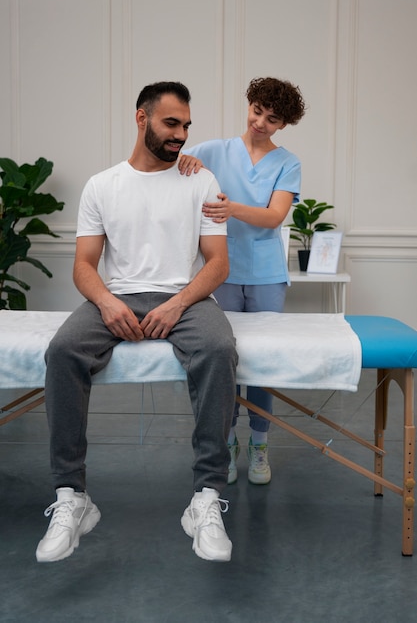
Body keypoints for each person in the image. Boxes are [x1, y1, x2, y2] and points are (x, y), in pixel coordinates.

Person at [36, 81, 238, 564]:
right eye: (172, 123)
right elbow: (85, 264)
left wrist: (177, 304)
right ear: (140, 118)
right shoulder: (102, 185)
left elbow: (217, 264)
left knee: (217, 350)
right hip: (119, 295)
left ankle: (206, 498)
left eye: (187, 125)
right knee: (62, 351)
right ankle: (72, 498)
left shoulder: (201, 181)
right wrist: (106, 302)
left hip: (183, 297)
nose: (181, 134)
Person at [180, 77, 305, 486]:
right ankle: (227, 443)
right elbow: (171, 164)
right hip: (222, 272)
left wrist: (231, 208)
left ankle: (259, 442)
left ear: (282, 124)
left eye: (272, 119)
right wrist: (188, 163)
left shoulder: (288, 163)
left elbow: (273, 217)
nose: (260, 123)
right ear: (249, 105)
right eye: (257, 111)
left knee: (263, 363)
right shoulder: (213, 150)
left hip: (267, 273)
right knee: (224, 362)